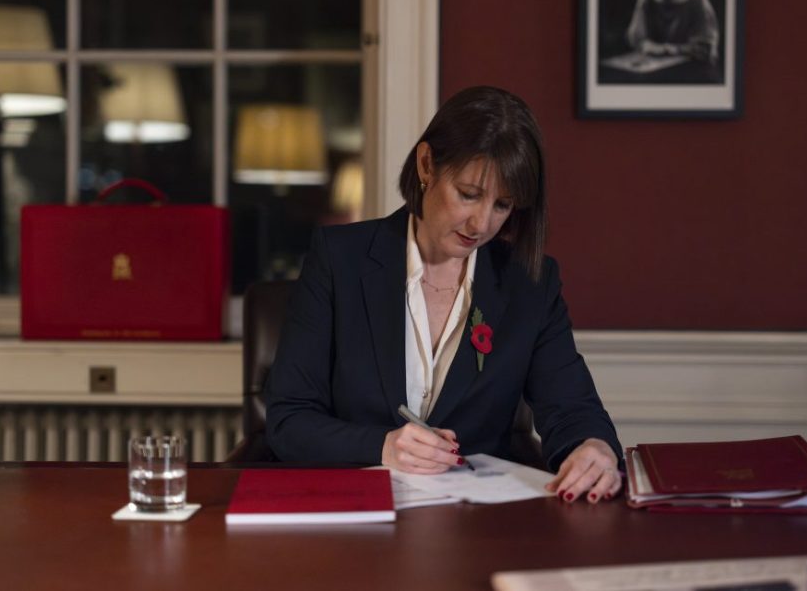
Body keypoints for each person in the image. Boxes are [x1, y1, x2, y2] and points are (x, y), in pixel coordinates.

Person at [265, 86, 623, 504]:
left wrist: (593, 448)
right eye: (469, 194)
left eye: (503, 205)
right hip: (356, 519)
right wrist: (381, 446)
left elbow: (573, 408)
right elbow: (289, 420)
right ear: (426, 164)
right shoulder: (339, 259)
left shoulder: (531, 283)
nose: (482, 223)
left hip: (475, 525)